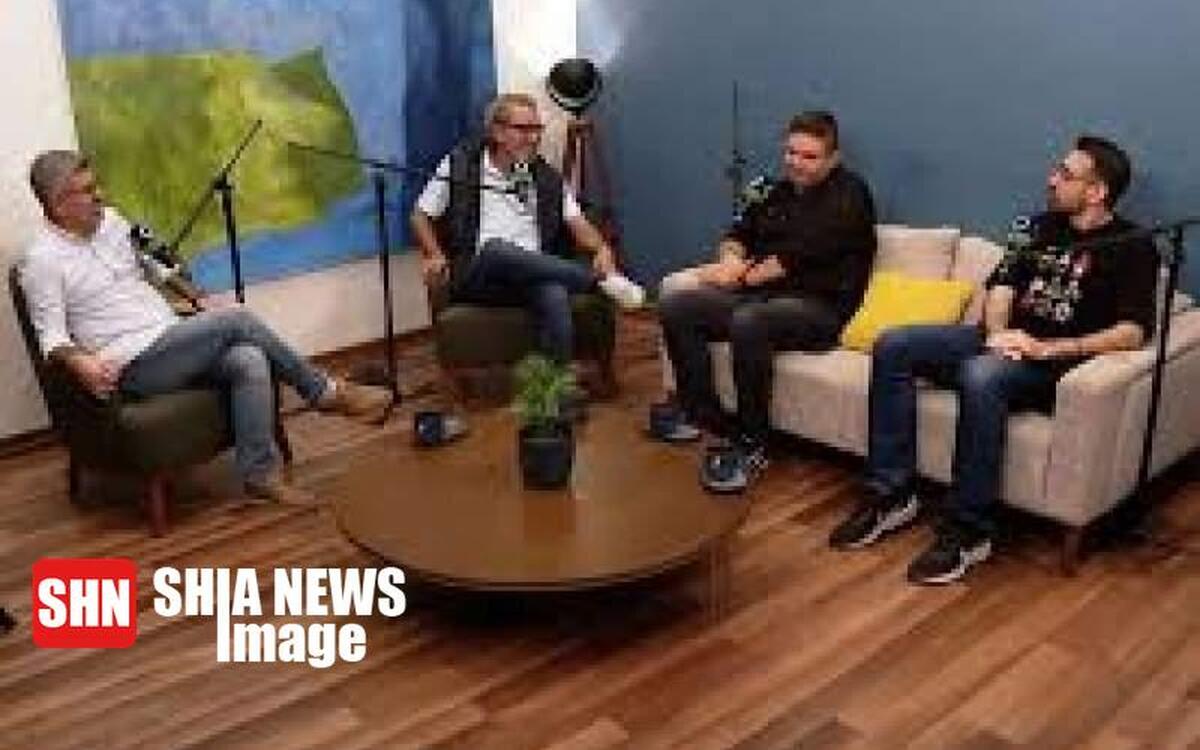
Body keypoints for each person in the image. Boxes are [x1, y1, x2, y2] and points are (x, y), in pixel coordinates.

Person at [829, 134, 1159, 585]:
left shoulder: (1133, 245)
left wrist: (1049, 348)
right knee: (895, 344)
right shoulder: (1035, 227)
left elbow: (1133, 330)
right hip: (1004, 343)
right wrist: (1001, 334)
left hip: (1054, 364)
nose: (1052, 179)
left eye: (1065, 174)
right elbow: (1001, 287)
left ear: (1097, 191)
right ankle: (890, 494)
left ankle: (969, 530)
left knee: (981, 374)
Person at [18, 150, 392, 507]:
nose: (100, 196)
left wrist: (196, 297)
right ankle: (324, 392)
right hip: (132, 363)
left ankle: (260, 475)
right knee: (238, 318)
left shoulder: (112, 222)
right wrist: (80, 361)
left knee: (248, 358)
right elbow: (51, 336)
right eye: (87, 191)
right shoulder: (42, 262)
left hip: (170, 337)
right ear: (59, 204)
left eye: (96, 185)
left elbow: (159, 268)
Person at [656, 110, 877, 493]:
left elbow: (792, 258)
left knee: (750, 320)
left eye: (809, 156)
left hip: (820, 309)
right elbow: (738, 232)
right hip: (763, 298)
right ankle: (703, 415)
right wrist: (730, 259)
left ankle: (753, 442)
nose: (797, 163)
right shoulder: (774, 190)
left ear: (833, 158)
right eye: (791, 152)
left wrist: (735, 275)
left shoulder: (851, 194)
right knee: (679, 305)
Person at [409, 92, 644, 367]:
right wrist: (435, 253)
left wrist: (602, 247)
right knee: (496, 250)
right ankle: (597, 282)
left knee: (554, 295)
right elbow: (420, 215)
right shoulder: (460, 166)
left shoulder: (547, 178)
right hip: (480, 275)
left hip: (532, 273)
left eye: (537, 129)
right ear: (497, 132)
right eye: (523, 129)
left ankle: (554, 387)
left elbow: (578, 224)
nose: (533, 138)